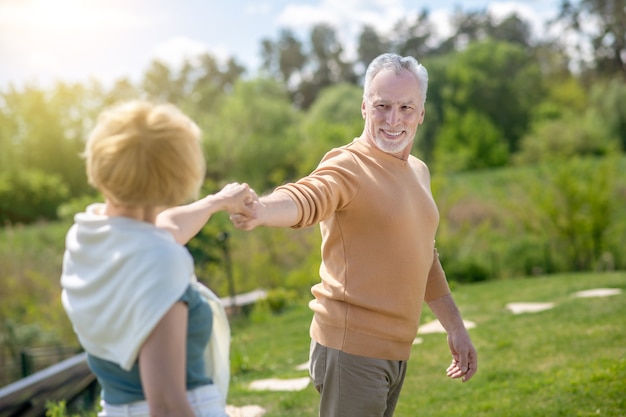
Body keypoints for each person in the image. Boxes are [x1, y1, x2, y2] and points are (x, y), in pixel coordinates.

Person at [230, 53, 478, 417]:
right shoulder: (349, 164)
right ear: (364, 107)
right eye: (382, 106)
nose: (394, 120)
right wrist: (263, 210)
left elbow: (424, 255)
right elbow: (310, 195)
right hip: (352, 350)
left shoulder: (418, 171)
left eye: (406, 107)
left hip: (394, 352)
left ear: (421, 113)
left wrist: (455, 326)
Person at [60, 100, 255, 417]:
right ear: (179, 173)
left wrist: (217, 202)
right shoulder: (160, 259)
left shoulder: (86, 233)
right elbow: (165, 405)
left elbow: (163, 228)